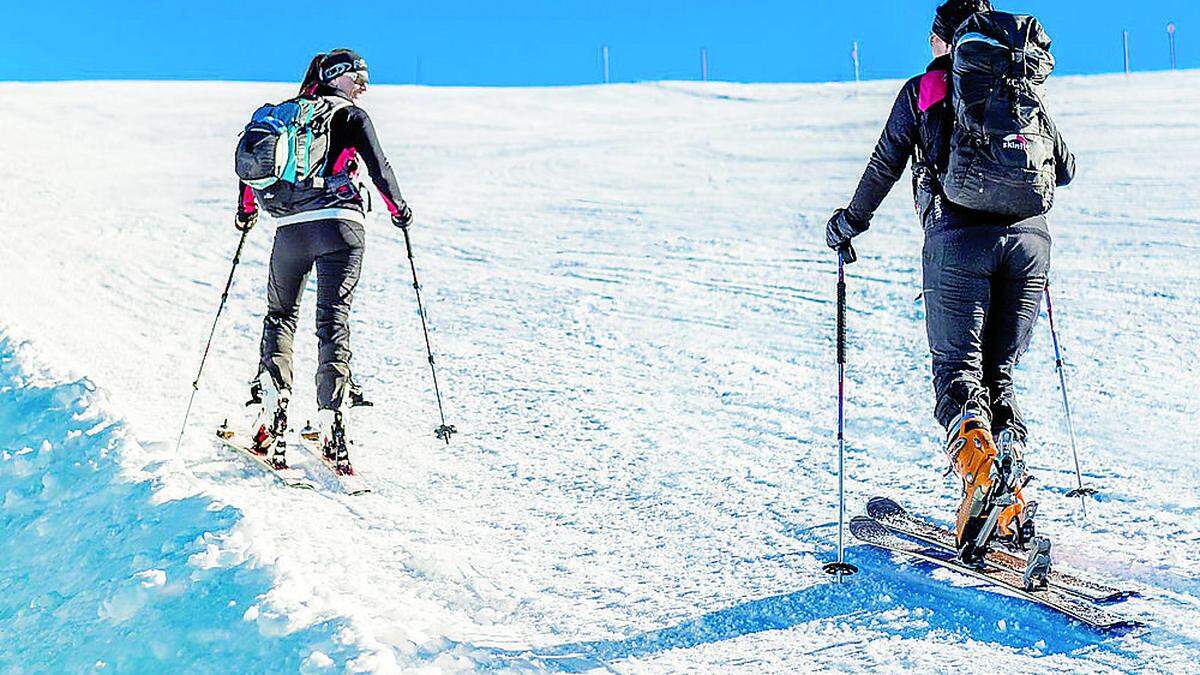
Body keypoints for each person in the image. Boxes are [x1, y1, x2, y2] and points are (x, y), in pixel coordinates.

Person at [825, 0, 1075, 562]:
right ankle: (1011, 508)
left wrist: (850, 223)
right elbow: (1065, 168)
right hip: (1030, 245)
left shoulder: (926, 89)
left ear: (943, 40)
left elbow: (885, 164)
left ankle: (983, 481)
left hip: (958, 241)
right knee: (999, 375)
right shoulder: (1019, 88)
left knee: (958, 375)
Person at [236, 49, 414, 474]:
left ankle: (272, 415)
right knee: (333, 320)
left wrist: (247, 211)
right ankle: (333, 422)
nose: (365, 85)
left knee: (280, 316)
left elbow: (252, 170)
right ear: (336, 77)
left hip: (291, 229)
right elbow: (379, 168)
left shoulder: (288, 114)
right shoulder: (352, 117)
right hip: (342, 227)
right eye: (358, 77)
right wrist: (399, 209)